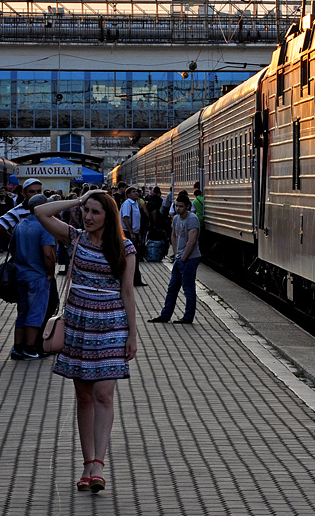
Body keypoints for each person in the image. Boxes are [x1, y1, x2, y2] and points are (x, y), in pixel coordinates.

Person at [34, 190, 138, 494]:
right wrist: (78, 201)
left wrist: (132, 334)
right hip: (79, 325)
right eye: (86, 211)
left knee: (104, 394)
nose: (88, 217)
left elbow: (128, 292)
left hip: (110, 326)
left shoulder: (124, 248)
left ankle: (98, 466)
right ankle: (86, 462)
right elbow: (41, 212)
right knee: (83, 396)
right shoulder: (75, 237)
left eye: (95, 212)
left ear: (109, 216)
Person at [9, 194, 56, 360]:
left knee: (22, 313)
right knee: (36, 313)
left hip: (20, 274)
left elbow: (13, 250)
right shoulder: (45, 226)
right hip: (38, 275)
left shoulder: (21, 224)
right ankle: (30, 348)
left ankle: (18, 348)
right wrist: (51, 273)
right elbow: (48, 254)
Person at [148, 193, 201, 324]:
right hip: (180, 258)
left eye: (181, 206)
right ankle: (165, 315)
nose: (178, 209)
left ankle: (188, 317)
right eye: (176, 206)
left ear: (187, 206)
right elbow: (174, 235)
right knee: (172, 287)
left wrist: (183, 257)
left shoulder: (192, 219)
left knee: (188, 289)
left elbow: (192, 240)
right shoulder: (176, 219)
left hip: (190, 259)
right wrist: (177, 252)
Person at [0, 178, 44, 253]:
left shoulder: (46, 208)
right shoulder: (18, 211)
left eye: (39, 191)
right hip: (25, 254)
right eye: (32, 192)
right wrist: (14, 240)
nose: (36, 194)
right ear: (24, 193)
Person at [118, 188, 147, 288]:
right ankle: (130, 279)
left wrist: (137, 233)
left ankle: (136, 279)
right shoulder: (128, 204)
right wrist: (131, 232)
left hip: (134, 233)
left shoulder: (135, 204)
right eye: (133, 192)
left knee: (135, 257)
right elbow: (125, 218)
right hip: (128, 233)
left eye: (136, 192)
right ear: (128, 195)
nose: (136, 193)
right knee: (130, 256)